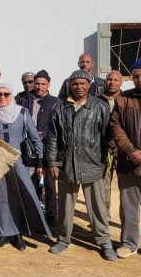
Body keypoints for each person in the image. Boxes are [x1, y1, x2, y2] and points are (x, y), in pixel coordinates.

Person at [46, 70, 115, 261]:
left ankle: (104, 241)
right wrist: (52, 162)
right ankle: (63, 239)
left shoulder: (100, 106)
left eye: (82, 84)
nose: (79, 87)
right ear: (70, 85)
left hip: (92, 164)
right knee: (66, 206)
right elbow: (52, 138)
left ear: (89, 85)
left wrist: (103, 156)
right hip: (66, 164)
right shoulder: (60, 108)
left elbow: (107, 135)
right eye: (75, 84)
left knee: (98, 207)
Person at [0, 83, 51, 251]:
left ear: (11, 95)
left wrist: (41, 161)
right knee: (0, 198)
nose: (2, 97)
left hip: (18, 163)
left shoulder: (21, 113)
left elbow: (35, 138)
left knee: (20, 196)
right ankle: (3, 233)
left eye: (6, 94)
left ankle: (18, 234)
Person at [18, 70, 60, 226]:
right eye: (37, 83)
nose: (39, 86)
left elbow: (58, 125)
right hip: (28, 146)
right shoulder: (23, 100)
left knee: (48, 183)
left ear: (48, 85)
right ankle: (31, 211)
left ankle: (51, 214)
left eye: (43, 84)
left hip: (48, 146)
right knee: (30, 180)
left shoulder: (56, 102)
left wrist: (45, 133)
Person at [109, 60, 141, 259]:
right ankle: (129, 243)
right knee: (129, 205)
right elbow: (115, 126)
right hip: (129, 163)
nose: (139, 79)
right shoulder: (123, 99)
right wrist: (130, 150)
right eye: (136, 76)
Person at [99, 70, 122, 220]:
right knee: (104, 184)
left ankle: (128, 222)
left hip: (124, 150)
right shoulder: (97, 101)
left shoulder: (127, 99)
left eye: (115, 80)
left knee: (126, 187)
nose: (111, 82)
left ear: (121, 82)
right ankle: (104, 217)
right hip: (104, 149)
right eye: (109, 79)